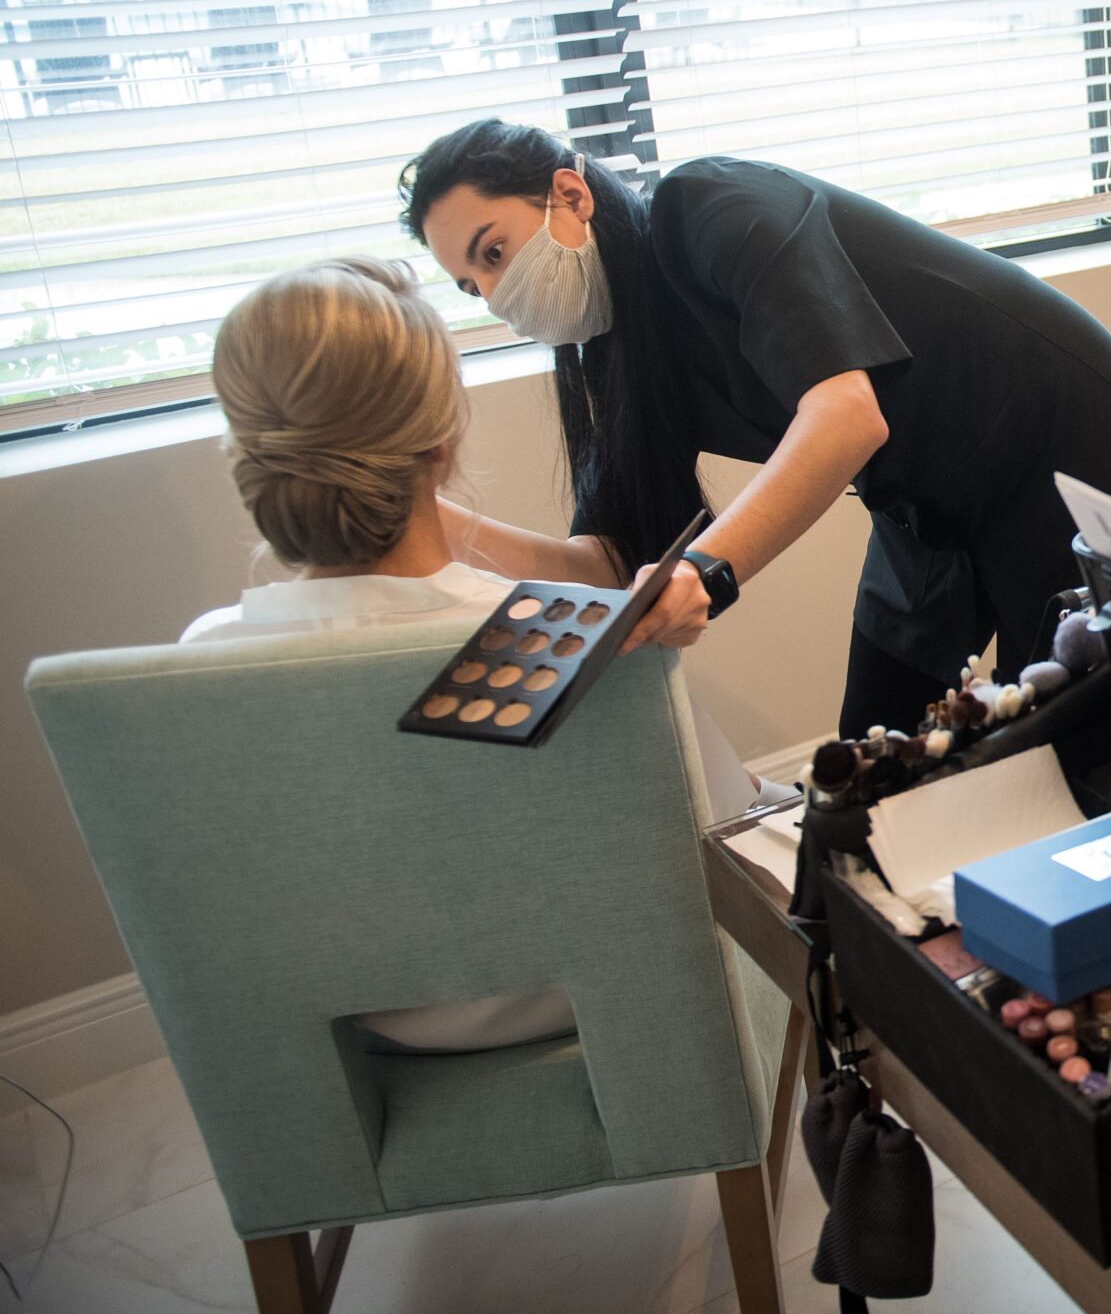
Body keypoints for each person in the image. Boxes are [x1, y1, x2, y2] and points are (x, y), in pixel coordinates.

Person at [397, 124, 1111, 738]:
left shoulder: (709, 205)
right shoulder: (621, 355)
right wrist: (431, 520)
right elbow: (607, 565)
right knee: (871, 760)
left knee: (1093, 747)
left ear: (571, 196)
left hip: (1058, 444)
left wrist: (708, 573)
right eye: (473, 284)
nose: (497, 293)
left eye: (495, 251)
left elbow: (847, 415)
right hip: (923, 503)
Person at [182, 256, 772, 1052]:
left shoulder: (203, 665)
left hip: (365, 1019)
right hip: (581, 993)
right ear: (444, 437)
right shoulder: (567, 637)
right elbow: (725, 835)